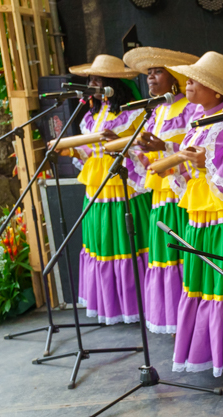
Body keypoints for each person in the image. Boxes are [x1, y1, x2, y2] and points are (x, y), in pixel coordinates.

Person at [164, 52, 223, 383]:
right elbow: (201, 167)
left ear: (217, 91)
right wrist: (187, 162)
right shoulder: (200, 118)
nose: (187, 83)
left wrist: (208, 158)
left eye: (195, 80)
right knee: (208, 281)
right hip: (204, 213)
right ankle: (220, 353)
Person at [51, 54, 149, 325]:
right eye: (90, 79)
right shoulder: (92, 115)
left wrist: (118, 142)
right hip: (96, 187)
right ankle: (114, 306)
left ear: (112, 83)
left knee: (125, 241)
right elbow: (87, 153)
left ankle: (137, 304)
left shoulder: (133, 112)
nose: (92, 84)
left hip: (121, 186)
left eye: (97, 79)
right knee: (103, 242)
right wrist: (67, 148)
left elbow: (142, 147)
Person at [123, 47, 197, 335]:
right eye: (148, 73)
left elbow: (197, 152)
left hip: (183, 195)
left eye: (157, 71)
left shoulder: (190, 109)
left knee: (184, 258)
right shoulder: (156, 111)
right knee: (165, 258)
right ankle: (177, 322)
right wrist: (138, 152)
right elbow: (150, 160)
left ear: (175, 76)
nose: (150, 78)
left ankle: (191, 322)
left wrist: (162, 148)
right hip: (161, 195)